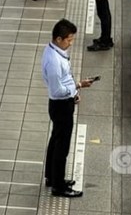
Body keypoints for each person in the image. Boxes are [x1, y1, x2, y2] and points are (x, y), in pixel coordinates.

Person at [42, 19, 94, 198]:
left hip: (61, 103)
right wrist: (77, 86)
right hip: (61, 105)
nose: (71, 43)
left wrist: (73, 91)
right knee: (62, 147)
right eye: (69, 40)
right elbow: (58, 89)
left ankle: (51, 176)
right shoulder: (54, 61)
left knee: (56, 139)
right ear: (58, 39)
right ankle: (58, 186)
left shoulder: (53, 51)